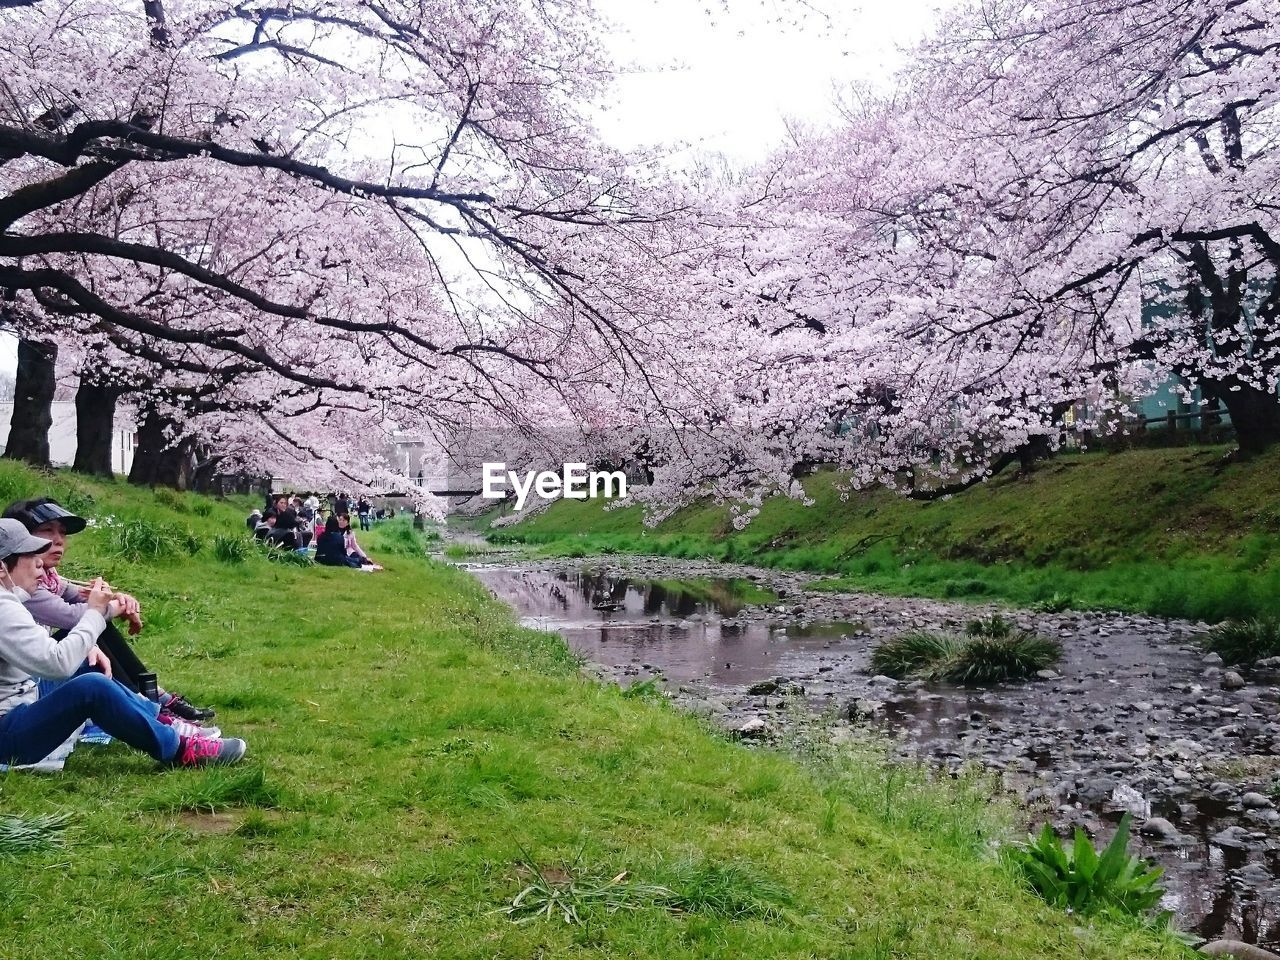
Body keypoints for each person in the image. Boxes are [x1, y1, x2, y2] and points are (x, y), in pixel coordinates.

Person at [0, 519, 246, 768]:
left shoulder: (10, 600)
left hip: (22, 699)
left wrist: (86, 645)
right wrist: (95, 612)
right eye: (31, 558)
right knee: (92, 688)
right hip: (6, 734)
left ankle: (163, 723)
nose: (41, 568)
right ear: (2, 569)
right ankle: (181, 749)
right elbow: (57, 664)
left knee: (87, 661)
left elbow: (41, 648)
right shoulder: (3, 606)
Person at [3, 498, 216, 725]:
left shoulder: (48, 577)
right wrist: (108, 608)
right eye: (46, 531)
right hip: (24, 687)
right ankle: (149, 709)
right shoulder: (17, 585)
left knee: (94, 627)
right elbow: (75, 617)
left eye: (62, 533)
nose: (58, 540)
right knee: (91, 628)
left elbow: (79, 595)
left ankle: (153, 701)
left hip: (31, 677)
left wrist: (114, 598)